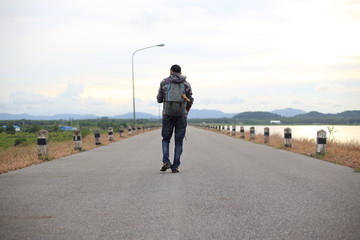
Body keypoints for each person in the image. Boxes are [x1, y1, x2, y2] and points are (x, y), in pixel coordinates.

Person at [157, 64, 194, 173]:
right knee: (179, 142)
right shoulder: (186, 84)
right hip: (182, 116)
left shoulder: (164, 82)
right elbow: (190, 100)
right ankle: (175, 166)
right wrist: (186, 111)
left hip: (167, 115)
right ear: (180, 72)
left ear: (171, 71)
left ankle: (166, 162)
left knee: (165, 139)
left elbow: (159, 99)